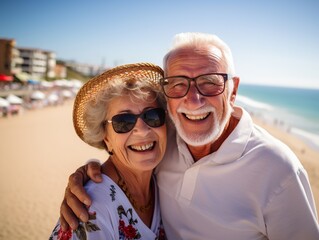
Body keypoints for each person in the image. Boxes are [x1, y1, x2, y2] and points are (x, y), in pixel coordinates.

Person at [59, 33, 319, 239]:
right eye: (179, 83)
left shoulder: (279, 170)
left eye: (210, 81)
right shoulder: (164, 141)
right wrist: (88, 176)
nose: (193, 101)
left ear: (233, 90)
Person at [50, 63, 167, 239]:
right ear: (106, 138)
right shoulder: (92, 208)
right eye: (124, 121)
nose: (142, 130)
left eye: (153, 116)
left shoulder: (163, 173)